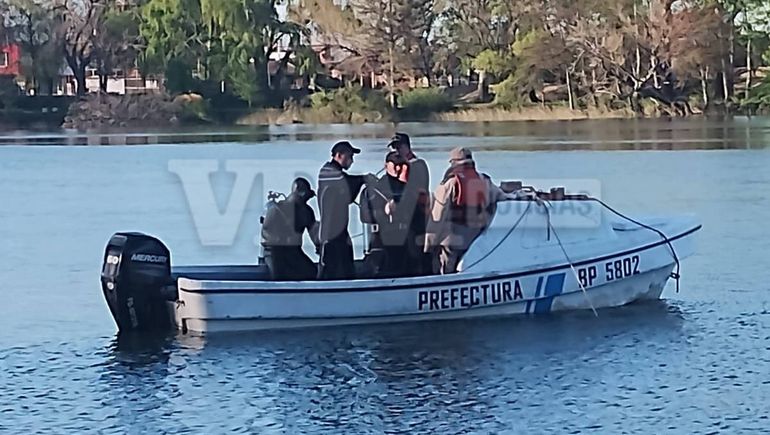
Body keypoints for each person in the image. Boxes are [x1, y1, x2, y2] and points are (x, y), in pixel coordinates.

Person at [424, 147, 521, 275]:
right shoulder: (484, 180)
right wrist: (520, 195)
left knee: (444, 273)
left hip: (451, 240)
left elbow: (438, 215)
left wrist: (429, 244)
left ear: (453, 162)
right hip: (474, 238)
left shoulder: (450, 183)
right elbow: (503, 197)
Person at [317, 141, 377, 280]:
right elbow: (345, 183)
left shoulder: (335, 173)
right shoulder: (328, 172)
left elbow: (347, 194)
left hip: (341, 231)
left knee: (347, 266)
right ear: (338, 155)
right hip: (329, 234)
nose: (352, 161)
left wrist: (363, 180)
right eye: (349, 156)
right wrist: (364, 179)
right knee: (328, 269)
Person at [360, 151, 410, 277]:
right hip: (379, 240)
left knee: (401, 269)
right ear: (386, 165)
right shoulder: (373, 190)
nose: (398, 168)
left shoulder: (407, 188)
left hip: (402, 239)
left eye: (401, 165)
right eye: (395, 164)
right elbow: (365, 216)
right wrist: (383, 212)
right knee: (381, 270)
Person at [387, 132, 430, 275]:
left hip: (417, 214)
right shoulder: (401, 166)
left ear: (407, 147)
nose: (396, 151)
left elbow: (412, 190)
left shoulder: (417, 164)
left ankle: (418, 276)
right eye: (394, 148)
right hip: (404, 216)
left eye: (399, 147)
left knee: (414, 250)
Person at [260, 177, 320, 281]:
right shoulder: (275, 208)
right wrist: (279, 239)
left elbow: (314, 234)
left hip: (294, 251)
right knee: (279, 277)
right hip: (274, 251)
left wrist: (320, 246)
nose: (305, 197)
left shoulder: (307, 212)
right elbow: (266, 233)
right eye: (303, 193)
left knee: (311, 271)